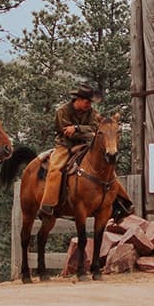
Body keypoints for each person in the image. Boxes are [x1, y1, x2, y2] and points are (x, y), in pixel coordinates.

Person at [39, 83, 103, 219]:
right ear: (78, 100)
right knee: (55, 169)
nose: (88, 105)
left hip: (85, 145)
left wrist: (77, 128)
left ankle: (120, 202)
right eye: (86, 102)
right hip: (65, 146)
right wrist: (85, 132)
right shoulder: (62, 111)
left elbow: (96, 128)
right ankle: (47, 204)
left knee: (104, 164)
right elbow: (67, 132)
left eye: (90, 103)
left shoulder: (92, 113)